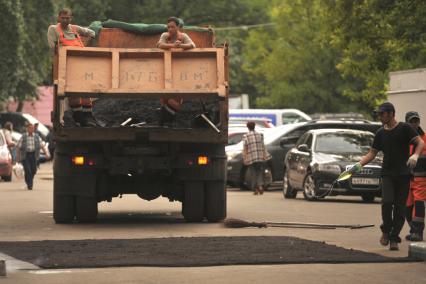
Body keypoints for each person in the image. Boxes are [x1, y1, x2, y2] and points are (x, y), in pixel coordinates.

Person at [348, 102, 424, 250]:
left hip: (403, 174)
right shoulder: (380, 133)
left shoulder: (404, 128)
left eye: (382, 113)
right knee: (387, 202)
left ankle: (394, 237)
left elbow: (420, 142)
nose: (380, 116)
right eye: (379, 114)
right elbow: (372, 153)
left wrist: (415, 155)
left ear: (391, 114)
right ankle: (386, 230)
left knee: (400, 208)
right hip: (387, 174)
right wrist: (357, 166)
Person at [47, 8, 97, 127]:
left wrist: (84, 45)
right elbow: (53, 48)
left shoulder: (75, 28)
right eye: (63, 18)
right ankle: (78, 115)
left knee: (85, 89)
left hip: (81, 64)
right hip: (66, 66)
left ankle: (88, 115)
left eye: (67, 18)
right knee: (73, 90)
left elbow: (92, 33)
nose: (65, 20)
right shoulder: (53, 29)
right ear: (58, 18)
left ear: (71, 18)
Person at [156, 17, 195, 126]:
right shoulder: (164, 35)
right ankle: (164, 116)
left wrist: (181, 45)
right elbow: (159, 45)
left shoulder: (183, 36)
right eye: (168, 27)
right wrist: (174, 45)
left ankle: (171, 116)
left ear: (178, 27)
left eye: (172, 27)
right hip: (165, 67)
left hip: (180, 68)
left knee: (175, 99)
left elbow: (192, 45)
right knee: (164, 96)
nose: (170, 29)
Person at [405, 111, 426, 241]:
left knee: (418, 204)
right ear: (407, 123)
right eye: (411, 121)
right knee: (407, 207)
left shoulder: (424, 138)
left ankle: (418, 233)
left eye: (416, 121)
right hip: (406, 178)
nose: (414, 124)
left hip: (421, 178)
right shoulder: (403, 139)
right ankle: (413, 229)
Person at [17, 123, 50, 190]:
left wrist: (46, 153)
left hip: (34, 155)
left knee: (34, 170)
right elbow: (18, 147)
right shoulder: (24, 136)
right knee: (28, 170)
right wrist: (18, 157)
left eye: (32, 128)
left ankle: (29, 181)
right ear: (27, 129)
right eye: (30, 128)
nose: (31, 129)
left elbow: (42, 146)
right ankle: (30, 185)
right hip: (25, 155)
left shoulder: (37, 136)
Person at [242, 121, 270, 195]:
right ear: (254, 127)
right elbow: (263, 146)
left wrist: (245, 158)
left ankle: (255, 189)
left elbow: (245, 148)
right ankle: (260, 186)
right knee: (260, 172)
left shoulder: (246, 136)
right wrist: (265, 155)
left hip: (251, 157)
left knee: (253, 173)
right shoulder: (260, 135)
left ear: (248, 127)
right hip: (260, 156)